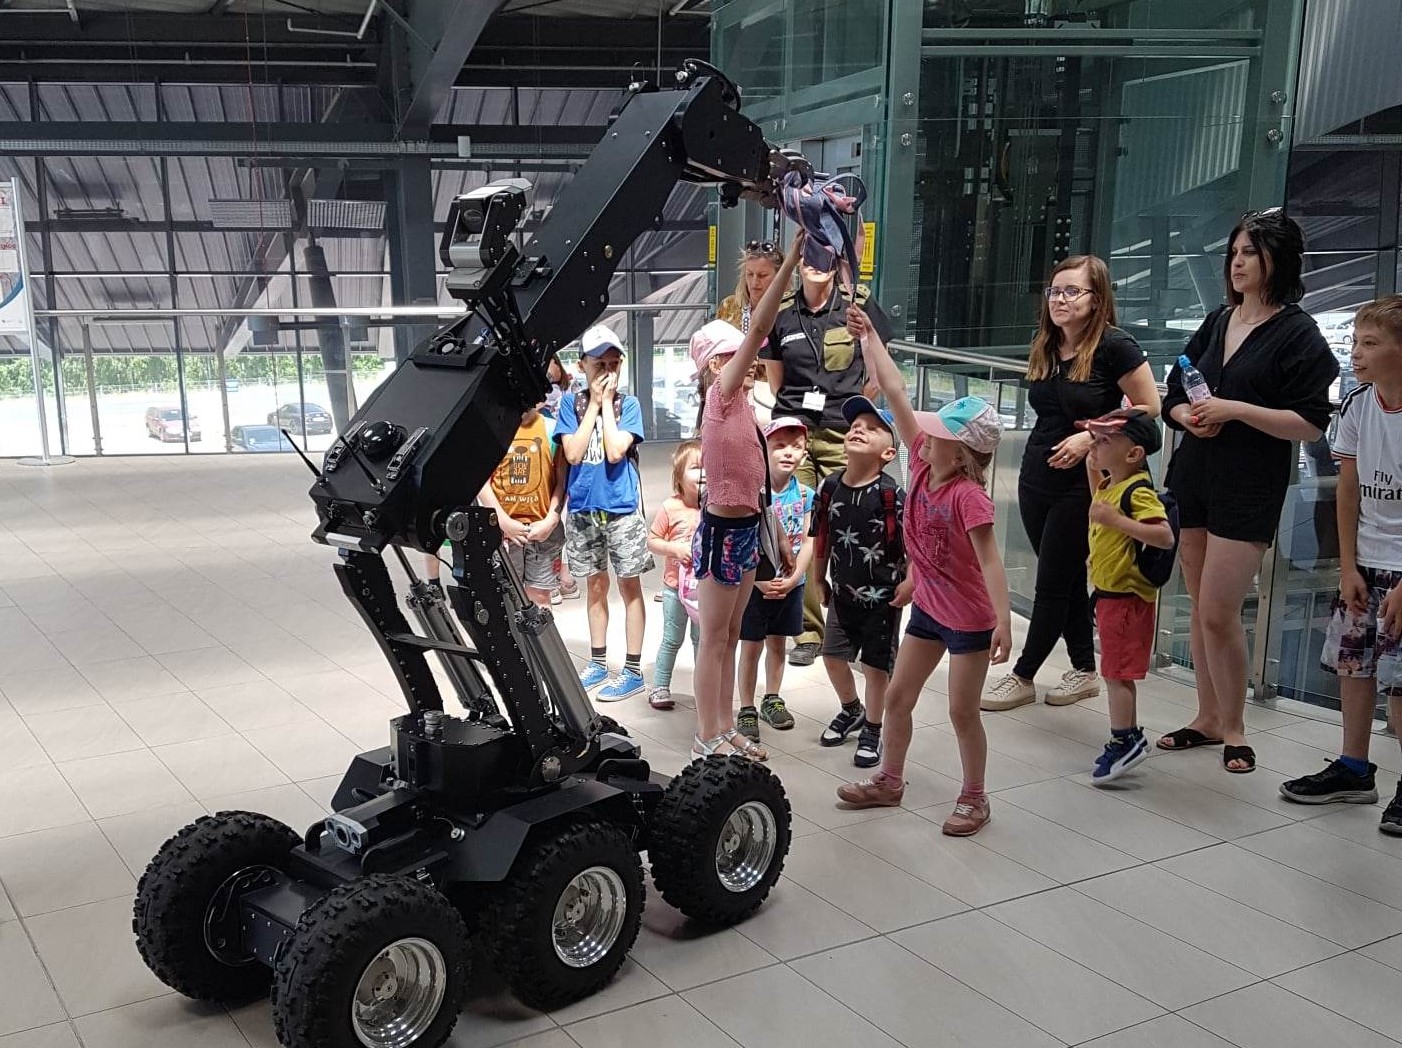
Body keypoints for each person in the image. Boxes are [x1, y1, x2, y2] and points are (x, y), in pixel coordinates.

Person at [1157, 210, 1338, 773]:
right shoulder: (1219, 319)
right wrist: (1189, 417)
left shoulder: (1298, 333)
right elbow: (1173, 393)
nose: (1237, 263)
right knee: (1199, 604)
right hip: (1196, 473)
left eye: (1250, 253)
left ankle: (1234, 727)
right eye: (1234, 253)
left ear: (1277, 261)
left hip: (1249, 484)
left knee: (1218, 609)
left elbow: (1310, 423)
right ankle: (1207, 715)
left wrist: (1234, 410)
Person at [838, 310, 1011, 837]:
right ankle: (890, 780)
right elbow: (894, 390)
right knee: (897, 698)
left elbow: (989, 561)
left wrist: (1003, 621)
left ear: (963, 454)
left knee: (962, 711)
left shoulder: (968, 496)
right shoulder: (921, 461)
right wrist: (870, 338)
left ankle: (975, 797)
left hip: (969, 620)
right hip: (930, 611)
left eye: (938, 435)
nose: (925, 436)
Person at [983, 255, 1160, 713]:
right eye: (1054, 291)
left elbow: (1149, 406)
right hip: (1036, 473)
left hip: (1085, 478)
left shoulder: (1115, 346)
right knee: (1064, 577)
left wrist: (1091, 436)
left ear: (1096, 299)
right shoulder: (1046, 342)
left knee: (1051, 583)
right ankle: (1084, 667)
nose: (1060, 300)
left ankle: (1023, 675)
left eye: (1072, 292)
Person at [1279, 295, 1402, 832]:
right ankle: (1354, 767)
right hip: (1367, 561)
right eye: (1355, 341)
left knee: (1401, 681)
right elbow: (1347, 488)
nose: (1357, 353)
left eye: (1370, 343)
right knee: (1355, 665)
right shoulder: (1357, 405)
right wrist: (1348, 566)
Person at [691, 231, 803, 761]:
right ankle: (707, 732)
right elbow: (759, 325)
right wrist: (792, 260)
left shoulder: (745, 407)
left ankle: (725, 725)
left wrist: (775, 535)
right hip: (721, 532)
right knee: (715, 636)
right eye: (734, 355)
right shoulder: (720, 397)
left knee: (733, 632)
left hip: (746, 528)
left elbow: (758, 482)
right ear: (716, 364)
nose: (749, 358)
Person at [762, 253, 893, 668]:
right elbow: (776, 380)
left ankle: (852, 623)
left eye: (825, 256)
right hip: (794, 430)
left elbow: (879, 371)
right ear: (798, 262)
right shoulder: (783, 312)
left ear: (837, 263)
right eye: (809, 256)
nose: (815, 264)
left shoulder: (858, 303)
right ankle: (806, 630)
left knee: (850, 523)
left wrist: (850, 410)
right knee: (797, 523)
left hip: (843, 430)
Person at [556, 324, 653, 702]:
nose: (608, 372)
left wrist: (608, 406)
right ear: (582, 365)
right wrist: (594, 405)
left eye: (614, 364)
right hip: (584, 509)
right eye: (600, 365)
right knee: (595, 586)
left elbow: (615, 451)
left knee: (629, 586)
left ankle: (632, 670)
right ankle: (598, 662)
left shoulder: (629, 405)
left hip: (622, 509)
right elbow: (572, 453)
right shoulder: (571, 404)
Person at [1081, 409, 1174, 784]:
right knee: (1117, 672)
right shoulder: (1112, 485)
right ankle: (1130, 735)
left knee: (1116, 675)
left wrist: (1118, 522)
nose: (1095, 446)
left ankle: (1123, 741)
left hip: (1126, 598)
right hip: (1111, 595)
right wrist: (1092, 463)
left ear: (1134, 454)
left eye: (1104, 441)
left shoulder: (1138, 491)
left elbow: (1164, 536)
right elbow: (1099, 505)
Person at [814, 395, 906, 769]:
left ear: (888, 453)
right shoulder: (829, 487)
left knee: (875, 667)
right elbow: (822, 534)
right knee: (832, 656)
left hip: (884, 598)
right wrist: (817, 577)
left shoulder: (891, 494)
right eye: (855, 425)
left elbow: (911, 542)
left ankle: (873, 726)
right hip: (842, 592)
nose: (859, 429)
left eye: (872, 428)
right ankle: (852, 708)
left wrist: (911, 582)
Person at [423, 401, 565, 607]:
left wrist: (551, 519)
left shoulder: (552, 429)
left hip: (542, 530)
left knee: (540, 596)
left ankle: (542, 629)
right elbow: (481, 479)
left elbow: (561, 480)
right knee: (507, 597)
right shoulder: (494, 430)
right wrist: (502, 520)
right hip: (502, 531)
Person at [736, 416, 814, 742]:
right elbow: (742, 542)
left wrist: (795, 577)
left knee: (778, 643)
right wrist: (755, 581)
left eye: (795, 447)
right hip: (755, 586)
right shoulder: (751, 495)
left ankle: (772, 697)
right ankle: (746, 706)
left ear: (805, 454)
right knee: (751, 647)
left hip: (790, 585)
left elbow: (809, 541)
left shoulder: (806, 495)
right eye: (779, 446)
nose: (788, 452)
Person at [646, 439, 702, 712]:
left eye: (708, 467)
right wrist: (674, 548)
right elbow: (652, 540)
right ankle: (659, 686)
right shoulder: (671, 507)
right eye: (695, 467)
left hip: (705, 591)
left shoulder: (715, 507)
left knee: (702, 641)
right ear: (679, 477)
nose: (703, 474)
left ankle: (704, 689)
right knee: (672, 638)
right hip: (674, 589)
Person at [718, 240, 786, 427]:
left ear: (779, 276)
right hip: (733, 395)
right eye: (750, 274)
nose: (755, 282)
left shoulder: (789, 311)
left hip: (772, 399)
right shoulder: (729, 307)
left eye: (763, 276)